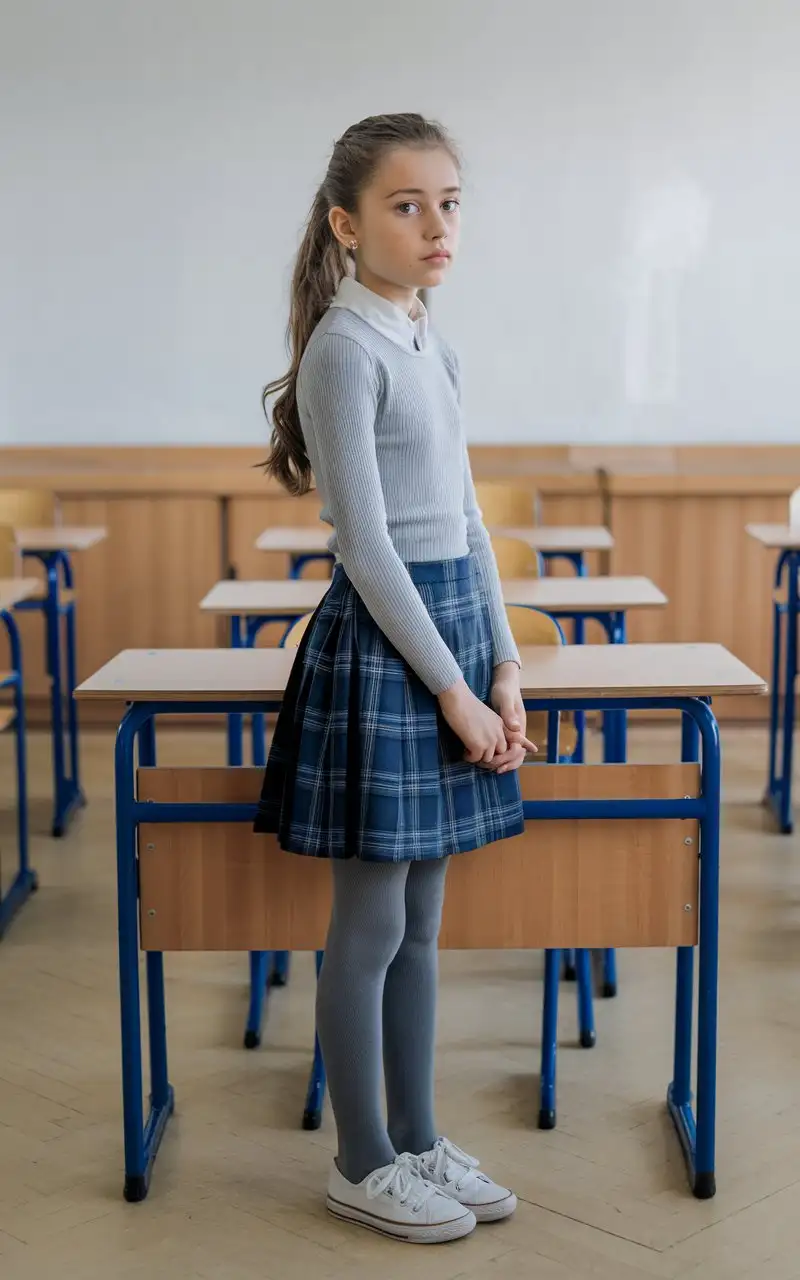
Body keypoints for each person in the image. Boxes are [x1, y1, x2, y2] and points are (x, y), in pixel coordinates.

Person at [255, 112, 533, 1245]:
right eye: (406, 205)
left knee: (422, 923)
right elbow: (365, 547)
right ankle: (359, 1156)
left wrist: (502, 662)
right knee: (367, 926)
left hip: (454, 632)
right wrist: (453, 693)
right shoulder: (343, 347)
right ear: (345, 223)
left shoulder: (432, 341)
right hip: (384, 642)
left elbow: (466, 523)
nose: (434, 225)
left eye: (449, 202)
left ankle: (417, 1134)